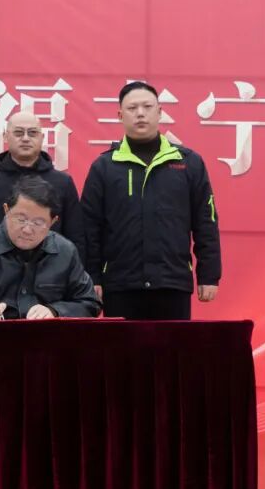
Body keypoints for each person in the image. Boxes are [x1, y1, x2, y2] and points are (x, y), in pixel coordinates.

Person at [81, 81, 221, 320]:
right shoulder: (104, 167)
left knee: (171, 345)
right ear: (120, 115)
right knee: (121, 346)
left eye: (147, 107)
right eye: (132, 108)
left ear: (160, 112)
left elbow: (205, 222)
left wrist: (209, 275)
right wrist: (91, 277)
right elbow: (89, 228)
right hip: (120, 285)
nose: (140, 113)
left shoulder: (188, 163)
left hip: (172, 282)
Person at [0, 176, 100, 321]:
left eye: (38, 223)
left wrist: (55, 311)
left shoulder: (65, 251)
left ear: (53, 221)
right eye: (21, 219)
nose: (27, 229)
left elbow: (90, 302)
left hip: (49, 342)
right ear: (6, 210)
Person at [0, 111, 85, 258]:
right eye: (18, 133)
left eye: (32, 133)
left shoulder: (63, 183)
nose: (26, 138)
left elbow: (76, 238)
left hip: (52, 269)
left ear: (42, 138)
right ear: (5, 136)